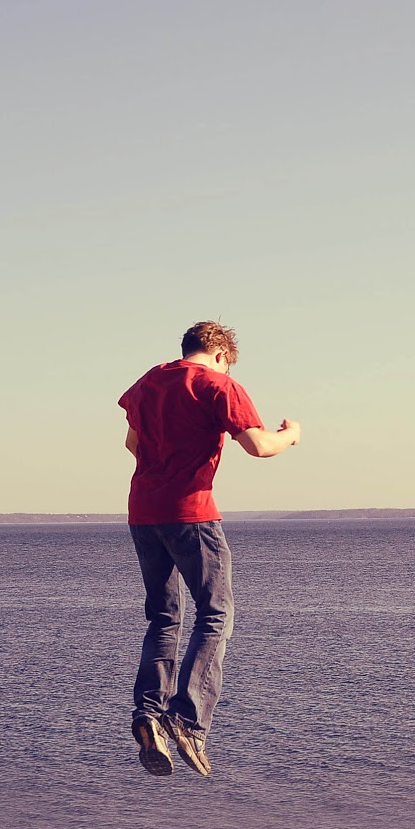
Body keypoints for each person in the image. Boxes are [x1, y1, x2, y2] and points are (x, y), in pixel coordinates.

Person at [118, 321, 300, 777]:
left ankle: (149, 715)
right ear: (221, 354)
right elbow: (259, 446)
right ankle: (187, 719)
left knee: (164, 618)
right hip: (192, 513)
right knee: (216, 614)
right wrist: (291, 434)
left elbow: (132, 443)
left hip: (144, 512)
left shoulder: (148, 382)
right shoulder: (218, 385)